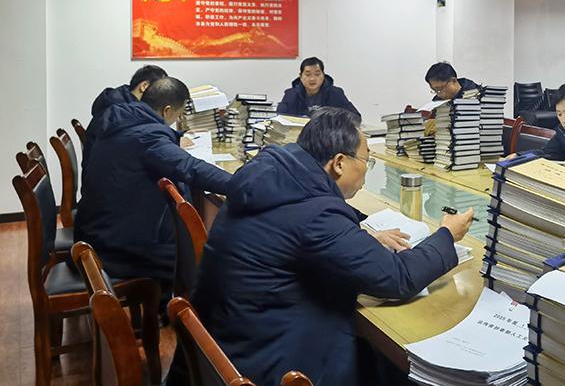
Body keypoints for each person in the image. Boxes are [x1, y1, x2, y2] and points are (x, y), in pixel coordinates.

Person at [189, 108, 473, 386]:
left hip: (229, 346)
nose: (366, 171)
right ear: (339, 163)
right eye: (366, 161)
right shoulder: (316, 214)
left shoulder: (270, 178)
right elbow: (397, 278)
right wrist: (447, 234)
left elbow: (297, 234)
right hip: (279, 364)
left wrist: (356, 236)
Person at [74, 77, 233, 283]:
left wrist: (176, 136)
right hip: (114, 247)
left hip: (99, 230)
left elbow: (153, 141)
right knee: (202, 261)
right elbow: (191, 169)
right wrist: (240, 183)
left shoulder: (125, 119)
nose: (178, 118)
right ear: (167, 110)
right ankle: (173, 302)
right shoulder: (146, 137)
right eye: (179, 113)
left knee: (193, 245)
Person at [83, 65, 168, 162]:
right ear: (144, 86)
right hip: (103, 167)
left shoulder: (123, 99)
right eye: (159, 89)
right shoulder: (119, 110)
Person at [276, 56, 359, 117]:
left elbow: (355, 116)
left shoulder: (335, 93)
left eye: (317, 74)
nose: (312, 79)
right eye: (308, 75)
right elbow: (279, 118)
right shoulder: (290, 95)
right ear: (301, 76)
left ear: (323, 75)